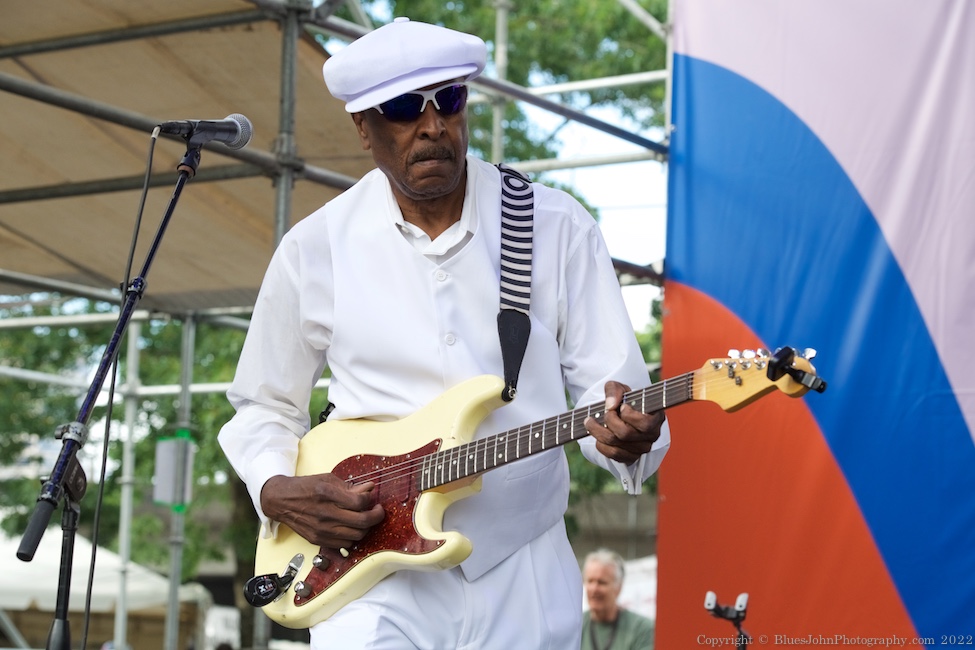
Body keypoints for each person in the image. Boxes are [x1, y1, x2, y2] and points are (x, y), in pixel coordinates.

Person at [218, 16, 670, 650]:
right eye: (404, 108)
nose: (432, 125)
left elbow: (615, 392)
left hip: (526, 569)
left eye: (448, 101)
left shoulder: (556, 225)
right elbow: (264, 403)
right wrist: (274, 487)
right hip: (369, 576)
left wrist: (628, 440)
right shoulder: (314, 248)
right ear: (363, 127)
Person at [581, 549, 656, 650]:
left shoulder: (643, 629)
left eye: (602, 582)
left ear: (618, 587)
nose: (594, 589)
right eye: (590, 581)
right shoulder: (575, 627)